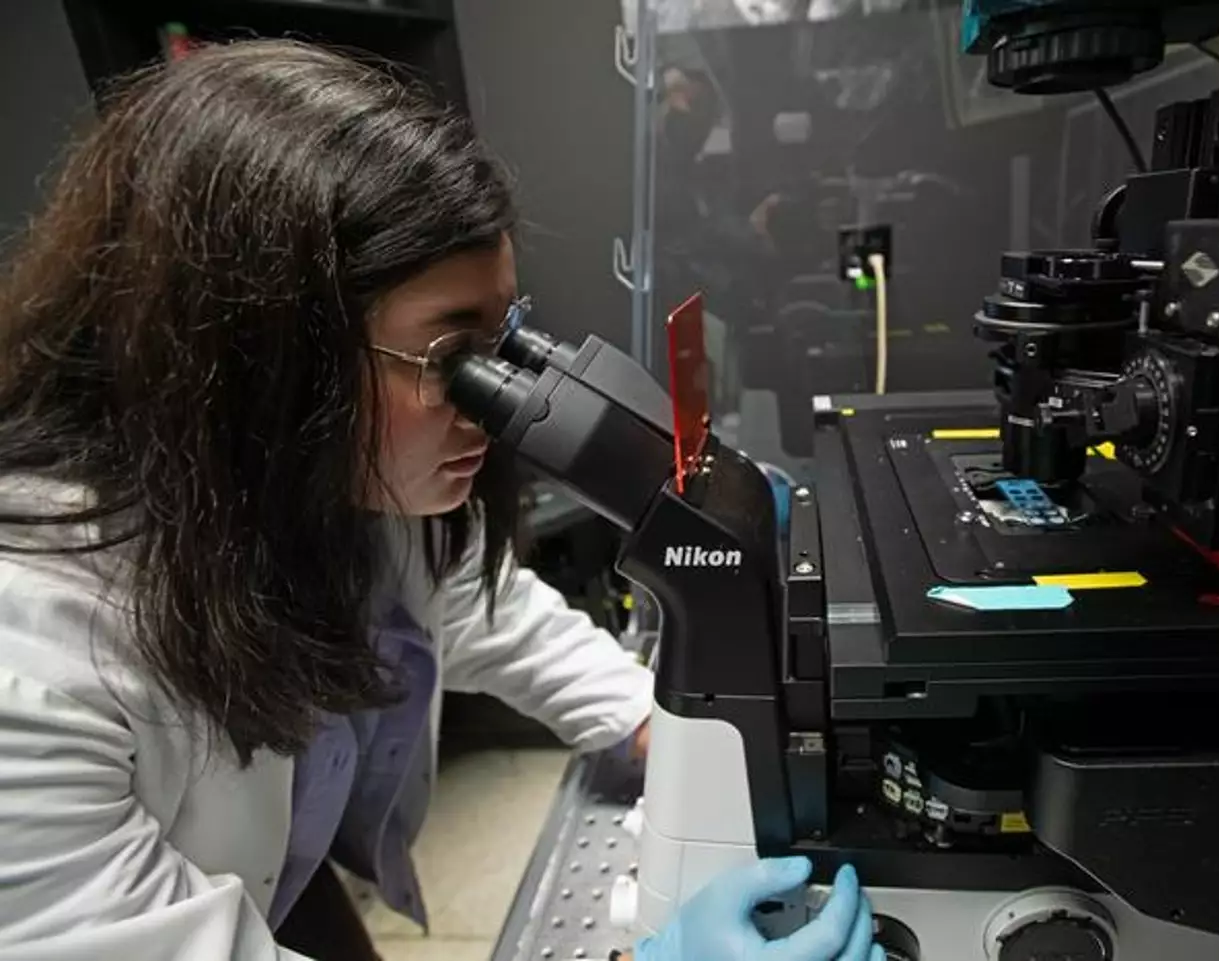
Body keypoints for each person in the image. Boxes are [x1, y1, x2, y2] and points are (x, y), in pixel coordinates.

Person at [0, 39, 879, 961]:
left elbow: (471, 606)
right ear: (258, 359)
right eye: (449, 357)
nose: (496, 410)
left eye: (505, 340)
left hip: (268, 871)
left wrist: (653, 724)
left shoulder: (296, 477)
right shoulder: (35, 672)